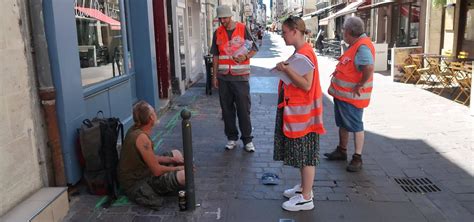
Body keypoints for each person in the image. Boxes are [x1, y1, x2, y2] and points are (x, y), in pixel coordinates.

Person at [273, 16, 326, 211]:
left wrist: (286, 71)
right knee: (304, 154)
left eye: (284, 32)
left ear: (295, 31)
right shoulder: (302, 52)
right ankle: (304, 188)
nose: (282, 35)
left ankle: (306, 197)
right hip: (299, 112)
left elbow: (306, 84)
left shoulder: (305, 53)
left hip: (303, 115)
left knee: (307, 155)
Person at [325, 16, 375, 172]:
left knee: (356, 125)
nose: (342, 33)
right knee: (343, 124)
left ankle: (357, 157)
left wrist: (361, 84)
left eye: (343, 30)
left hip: (352, 97)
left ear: (348, 32)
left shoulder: (362, 47)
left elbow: (368, 67)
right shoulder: (356, 45)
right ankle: (342, 150)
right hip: (343, 96)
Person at [117, 101, 187, 209]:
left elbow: (151, 158)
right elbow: (157, 170)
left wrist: (172, 160)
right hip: (138, 183)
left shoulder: (136, 129)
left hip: (143, 172)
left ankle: (174, 177)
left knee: (176, 153)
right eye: (154, 112)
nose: (156, 114)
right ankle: (169, 185)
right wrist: (179, 168)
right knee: (185, 175)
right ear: (151, 118)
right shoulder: (142, 138)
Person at [211, 5, 258, 152]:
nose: (222, 21)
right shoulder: (217, 32)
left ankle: (247, 140)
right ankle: (231, 138)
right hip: (224, 77)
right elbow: (216, 55)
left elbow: (254, 48)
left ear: (230, 16)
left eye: (224, 18)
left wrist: (245, 56)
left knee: (244, 109)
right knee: (227, 110)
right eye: (220, 18)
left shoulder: (242, 28)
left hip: (240, 77)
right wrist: (214, 76)